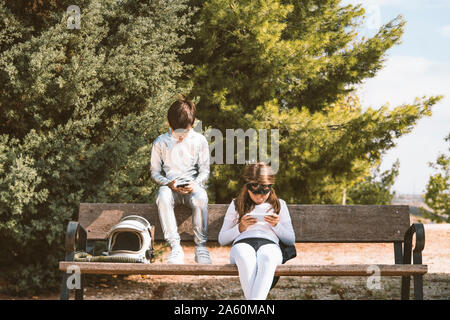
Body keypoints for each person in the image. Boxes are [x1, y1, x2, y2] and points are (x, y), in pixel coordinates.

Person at [218, 162, 295, 300]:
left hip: (270, 244)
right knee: (244, 255)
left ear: (270, 188)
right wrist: (240, 228)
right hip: (242, 243)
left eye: (264, 193)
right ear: (248, 188)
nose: (260, 197)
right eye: (255, 193)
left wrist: (276, 226)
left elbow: (290, 239)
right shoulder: (236, 204)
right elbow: (222, 239)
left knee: (267, 257)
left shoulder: (279, 204)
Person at [150, 95, 211, 264]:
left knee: (201, 197)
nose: (181, 136)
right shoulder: (160, 142)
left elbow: (205, 171)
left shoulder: (200, 141)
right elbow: (155, 172)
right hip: (170, 187)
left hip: (193, 186)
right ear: (169, 124)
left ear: (192, 124)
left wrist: (196, 184)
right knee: (162, 196)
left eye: (186, 131)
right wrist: (168, 183)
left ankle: (201, 247)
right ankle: (175, 248)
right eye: (178, 132)